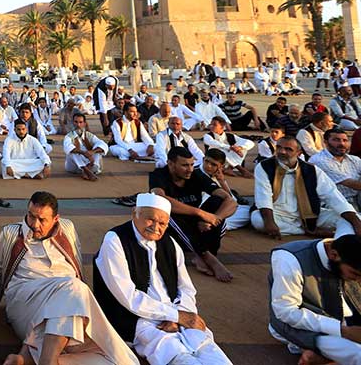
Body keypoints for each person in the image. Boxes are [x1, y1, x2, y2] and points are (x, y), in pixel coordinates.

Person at [0, 192, 137, 365]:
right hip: (26, 300)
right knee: (73, 287)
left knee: (117, 360)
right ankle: (47, 360)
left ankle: (27, 357)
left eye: (42, 220)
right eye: (31, 216)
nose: (34, 224)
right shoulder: (11, 233)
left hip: (66, 302)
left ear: (56, 219)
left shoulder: (67, 228)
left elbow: (76, 260)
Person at [93, 193, 233, 365]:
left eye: (162, 223)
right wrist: (174, 316)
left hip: (174, 311)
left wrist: (180, 314)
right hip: (135, 317)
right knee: (174, 353)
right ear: (135, 213)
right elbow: (128, 296)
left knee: (204, 344)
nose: (156, 227)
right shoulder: (115, 240)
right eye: (150, 219)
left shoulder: (170, 243)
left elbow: (186, 288)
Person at [268, 233, 361, 364]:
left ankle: (321, 356)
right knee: (358, 353)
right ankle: (319, 351)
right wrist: (343, 331)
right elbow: (286, 312)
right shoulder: (289, 258)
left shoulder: (346, 252)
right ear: (334, 255)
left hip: (344, 319)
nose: (358, 281)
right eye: (355, 274)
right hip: (304, 327)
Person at [149, 146, 238, 283]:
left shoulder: (196, 175)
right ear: (171, 164)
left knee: (219, 203)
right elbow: (160, 199)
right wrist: (200, 213)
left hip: (197, 226)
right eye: (184, 165)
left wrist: (214, 219)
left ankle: (203, 254)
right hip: (171, 231)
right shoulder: (159, 175)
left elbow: (230, 201)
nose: (190, 169)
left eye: (191, 164)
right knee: (166, 212)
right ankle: (208, 257)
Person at [252, 134, 361, 239]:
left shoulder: (312, 170)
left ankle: (340, 242)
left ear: (299, 153)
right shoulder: (264, 166)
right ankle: (309, 231)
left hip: (310, 214)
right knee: (259, 221)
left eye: (288, 149)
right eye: (279, 147)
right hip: (278, 214)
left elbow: (332, 195)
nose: (282, 152)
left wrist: (355, 221)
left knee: (353, 219)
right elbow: (263, 197)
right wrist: (269, 222)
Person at [310, 126, 361, 210]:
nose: (342, 144)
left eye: (345, 140)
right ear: (325, 142)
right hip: (335, 203)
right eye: (336, 140)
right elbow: (350, 183)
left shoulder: (354, 159)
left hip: (357, 197)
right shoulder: (319, 160)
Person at [62, 112, 108, 180]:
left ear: (84, 123)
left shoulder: (89, 135)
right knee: (71, 151)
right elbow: (67, 147)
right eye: (76, 122)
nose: (78, 124)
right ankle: (86, 170)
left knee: (98, 148)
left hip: (90, 163)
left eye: (80, 122)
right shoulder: (69, 136)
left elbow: (103, 144)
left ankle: (87, 169)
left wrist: (92, 151)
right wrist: (84, 153)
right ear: (72, 123)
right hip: (73, 167)